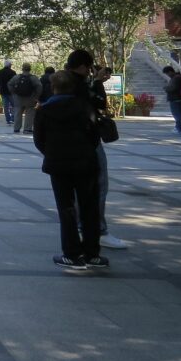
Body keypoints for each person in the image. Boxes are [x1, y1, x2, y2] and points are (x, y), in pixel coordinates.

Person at [33, 70, 107, 270]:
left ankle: (72, 254)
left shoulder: (44, 110)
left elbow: (39, 140)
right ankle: (92, 254)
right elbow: (94, 137)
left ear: (53, 87)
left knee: (66, 209)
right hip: (86, 163)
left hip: (59, 164)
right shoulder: (85, 107)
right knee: (89, 208)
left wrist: (52, 152)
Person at [66, 50, 128, 250]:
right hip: (87, 142)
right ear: (85, 67)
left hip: (70, 145)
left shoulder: (63, 82)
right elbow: (96, 103)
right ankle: (98, 229)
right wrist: (97, 81)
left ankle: (81, 227)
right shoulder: (79, 85)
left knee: (78, 189)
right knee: (98, 186)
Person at [9, 62, 42, 134]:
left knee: (17, 113)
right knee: (29, 113)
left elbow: (10, 84)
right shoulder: (33, 78)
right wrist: (36, 96)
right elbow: (39, 87)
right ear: (30, 69)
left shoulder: (16, 77)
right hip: (30, 98)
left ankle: (16, 128)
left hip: (18, 98)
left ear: (22, 68)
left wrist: (14, 93)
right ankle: (27, 129)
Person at [162, 65, 181, 135]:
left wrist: (166, 88)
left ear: (170, 71)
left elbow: (173, 88)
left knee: (177, 114)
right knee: (178, 114)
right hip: (178, 98)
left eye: (167, 73)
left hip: (175, 98)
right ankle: (178, 127)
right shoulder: (177, 77)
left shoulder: (176, 78)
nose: (167, 75)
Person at [0, 61, 17, 128]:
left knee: (6, 106)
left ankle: (8, 119)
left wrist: (1, 86)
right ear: (10, 65)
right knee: (14, 105)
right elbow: (15, 81)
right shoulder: (13, 72)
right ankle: (13, 118)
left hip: (3, 91)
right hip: (11, 91)